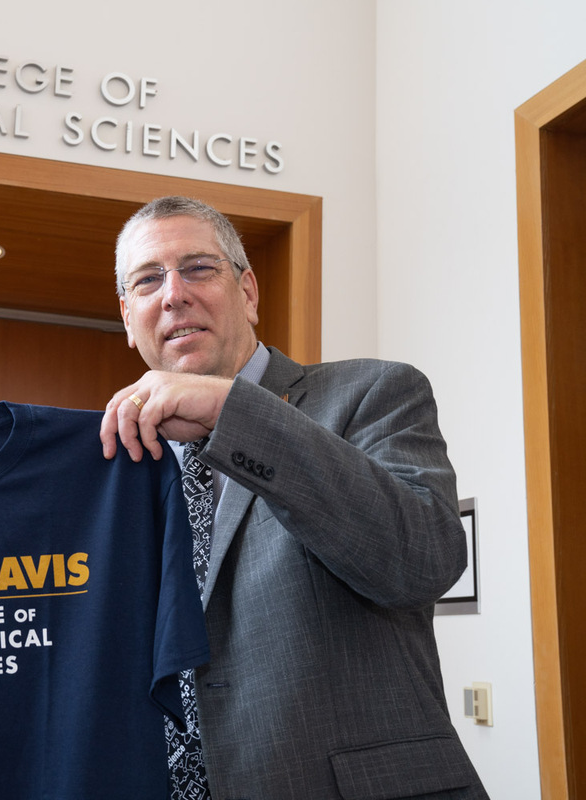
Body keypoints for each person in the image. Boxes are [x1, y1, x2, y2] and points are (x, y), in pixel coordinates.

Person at [99, 196, 489, 799]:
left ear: (248, 292)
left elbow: (424, 562)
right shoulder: (117, 461)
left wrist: (234, 412)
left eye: (198, 268)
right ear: (129, 317)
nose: (173, 294)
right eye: (148, 280)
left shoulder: (375, 392)